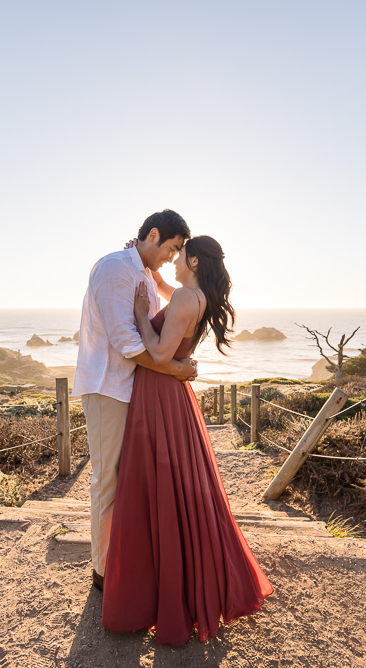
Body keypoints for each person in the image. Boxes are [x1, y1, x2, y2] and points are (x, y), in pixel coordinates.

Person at [101, 235, 273, 646]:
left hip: (158, 395)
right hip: (169, 396)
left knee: (155, 486)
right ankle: (181, 584)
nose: (173, 262)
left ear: (193, 260)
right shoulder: (194, 297)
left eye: (178, 257)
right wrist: (150, 269)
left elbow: (160, 355)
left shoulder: (183, 300)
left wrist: (142, 315)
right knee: (178, 489)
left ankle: (156, 594)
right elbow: (170, 295)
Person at [73, 209, 198, 594]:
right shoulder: (115, 269)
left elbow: (156, 328)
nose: (172, 257)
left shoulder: (143, 272)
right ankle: (103, 571)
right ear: (155, 235)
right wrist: (175, 370)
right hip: (108, 387)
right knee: (107, 479)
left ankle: (130, 561)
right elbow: (126, 343)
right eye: (172, 248)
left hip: (135, 389)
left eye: (179, 252)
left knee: (134, 480)